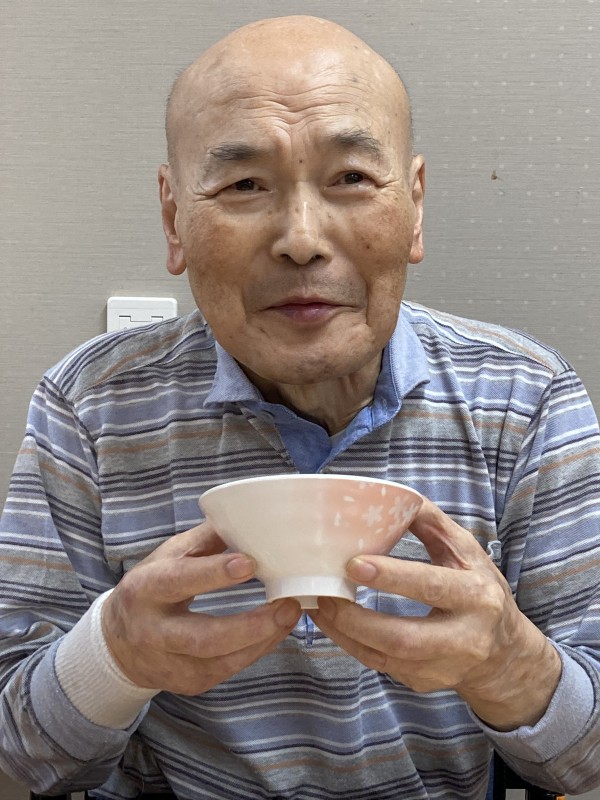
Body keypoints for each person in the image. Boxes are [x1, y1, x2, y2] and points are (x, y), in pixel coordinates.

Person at [0, 14, 598, 800]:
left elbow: (585, 764)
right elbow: (18, 758)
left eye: (351, 177)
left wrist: (508, 662)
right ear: (174, 217)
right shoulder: (89, 406)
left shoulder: (525, 397)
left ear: (414, 207)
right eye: (245, 185)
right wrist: (112, 656)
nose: (302, 239)